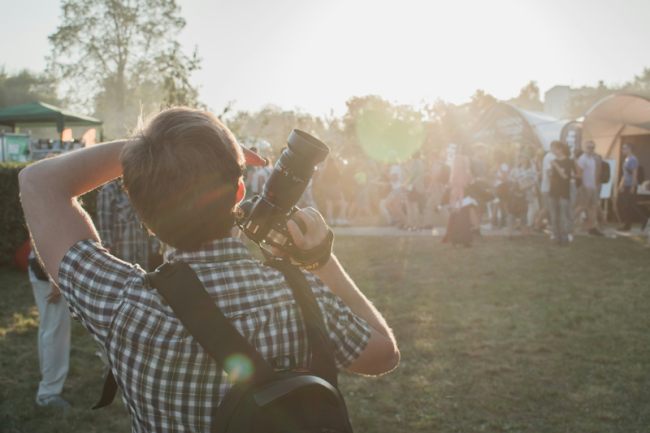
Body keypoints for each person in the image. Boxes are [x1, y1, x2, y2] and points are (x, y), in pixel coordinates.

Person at [19, 107, 399, 432]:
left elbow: (37, 181)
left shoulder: (122, 305)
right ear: (238, 192)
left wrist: (149, 155)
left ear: (139, 208)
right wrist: (320, 262)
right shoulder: (302, 293)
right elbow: (384, 355)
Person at [28, 246, 71, 408]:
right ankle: (49, 393)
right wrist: (54, 278)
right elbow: (39, 239)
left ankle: (52, 382)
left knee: (50, 328)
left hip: (47, 267)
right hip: (49, 270)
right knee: (55, 331)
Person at [97, 178, 162, 271]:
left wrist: (155, 249)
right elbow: (104, 228)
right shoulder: (108, 191)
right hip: (121, 259)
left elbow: (152, 221)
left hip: (145, 258)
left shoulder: (143, 188)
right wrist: (108, 254)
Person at [548, 141, 575, 245]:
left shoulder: (568, 161)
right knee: (554, 217)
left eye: (555, 149)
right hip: (553, 192)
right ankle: (556, 237)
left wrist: (556, 165)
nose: (553, 151)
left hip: (564, 193)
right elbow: (551, 177)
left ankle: (564, 238)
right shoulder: (553, 161)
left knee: (564, 217)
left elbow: (565, 176)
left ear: (561, 149)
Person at [576, 141, 604, 236]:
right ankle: (568, 223)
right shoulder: (582, 159)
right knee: (582, 206)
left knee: (593, 207)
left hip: (592, 186)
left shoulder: (592, 159)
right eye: (588, 147)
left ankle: (593, 227)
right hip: (586, 186)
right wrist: (583, 186)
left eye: (592, 147)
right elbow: (580, 173)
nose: (590, 149)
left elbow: (595, 173)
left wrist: (594, 185)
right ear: (585, 148)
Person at [506, 154, 536, 240]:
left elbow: (535, 180)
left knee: (523, 214)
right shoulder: (515, 168)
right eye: (520, 158)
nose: (521, 159)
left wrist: (525, 187)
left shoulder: (531, 167)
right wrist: (514, 181)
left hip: (526, 194)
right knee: (513, 213)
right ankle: (510, 235)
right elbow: (509, 177)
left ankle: (523, 234)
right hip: (515, 194)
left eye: (523, 157)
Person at [617, 142, 643, 231]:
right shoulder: (626, 159)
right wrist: (620, 186)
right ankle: (627, 225)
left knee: (630, 205)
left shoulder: (633, 159)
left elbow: (635, 173)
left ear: (629, 149)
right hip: (625, 185)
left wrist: (633, 186)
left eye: (625, 148)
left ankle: (643, 220)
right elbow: (624, 175)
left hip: (631, 185)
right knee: (625, 205)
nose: (623, 150)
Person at [404, 151, 425, 230]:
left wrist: (406, 184)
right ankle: (417, 224)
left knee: (412, 205)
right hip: (419, 186)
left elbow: (412, 176)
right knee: (415, 205)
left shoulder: (414, 162)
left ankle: (414, 225)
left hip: (413, 187)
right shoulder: (420, 162)